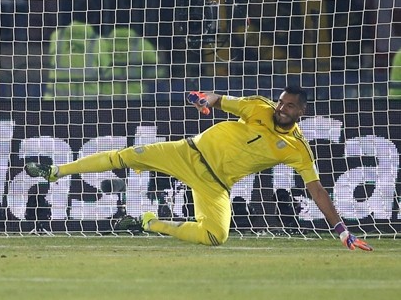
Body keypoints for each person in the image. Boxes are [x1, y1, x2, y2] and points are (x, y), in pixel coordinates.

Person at [24, 86, 373, 250]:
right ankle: (57, 171)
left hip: (216, 184)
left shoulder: (298, 149)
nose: (282, 108)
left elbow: (317, 190)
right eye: (281, 101)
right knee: (125, 156)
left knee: (214, 236)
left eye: (290, 105)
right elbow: (218, 99)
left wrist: (343, 231)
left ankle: (150, 222)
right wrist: (202, 99)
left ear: (301, 113)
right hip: (188, 153)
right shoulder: (257, 107)